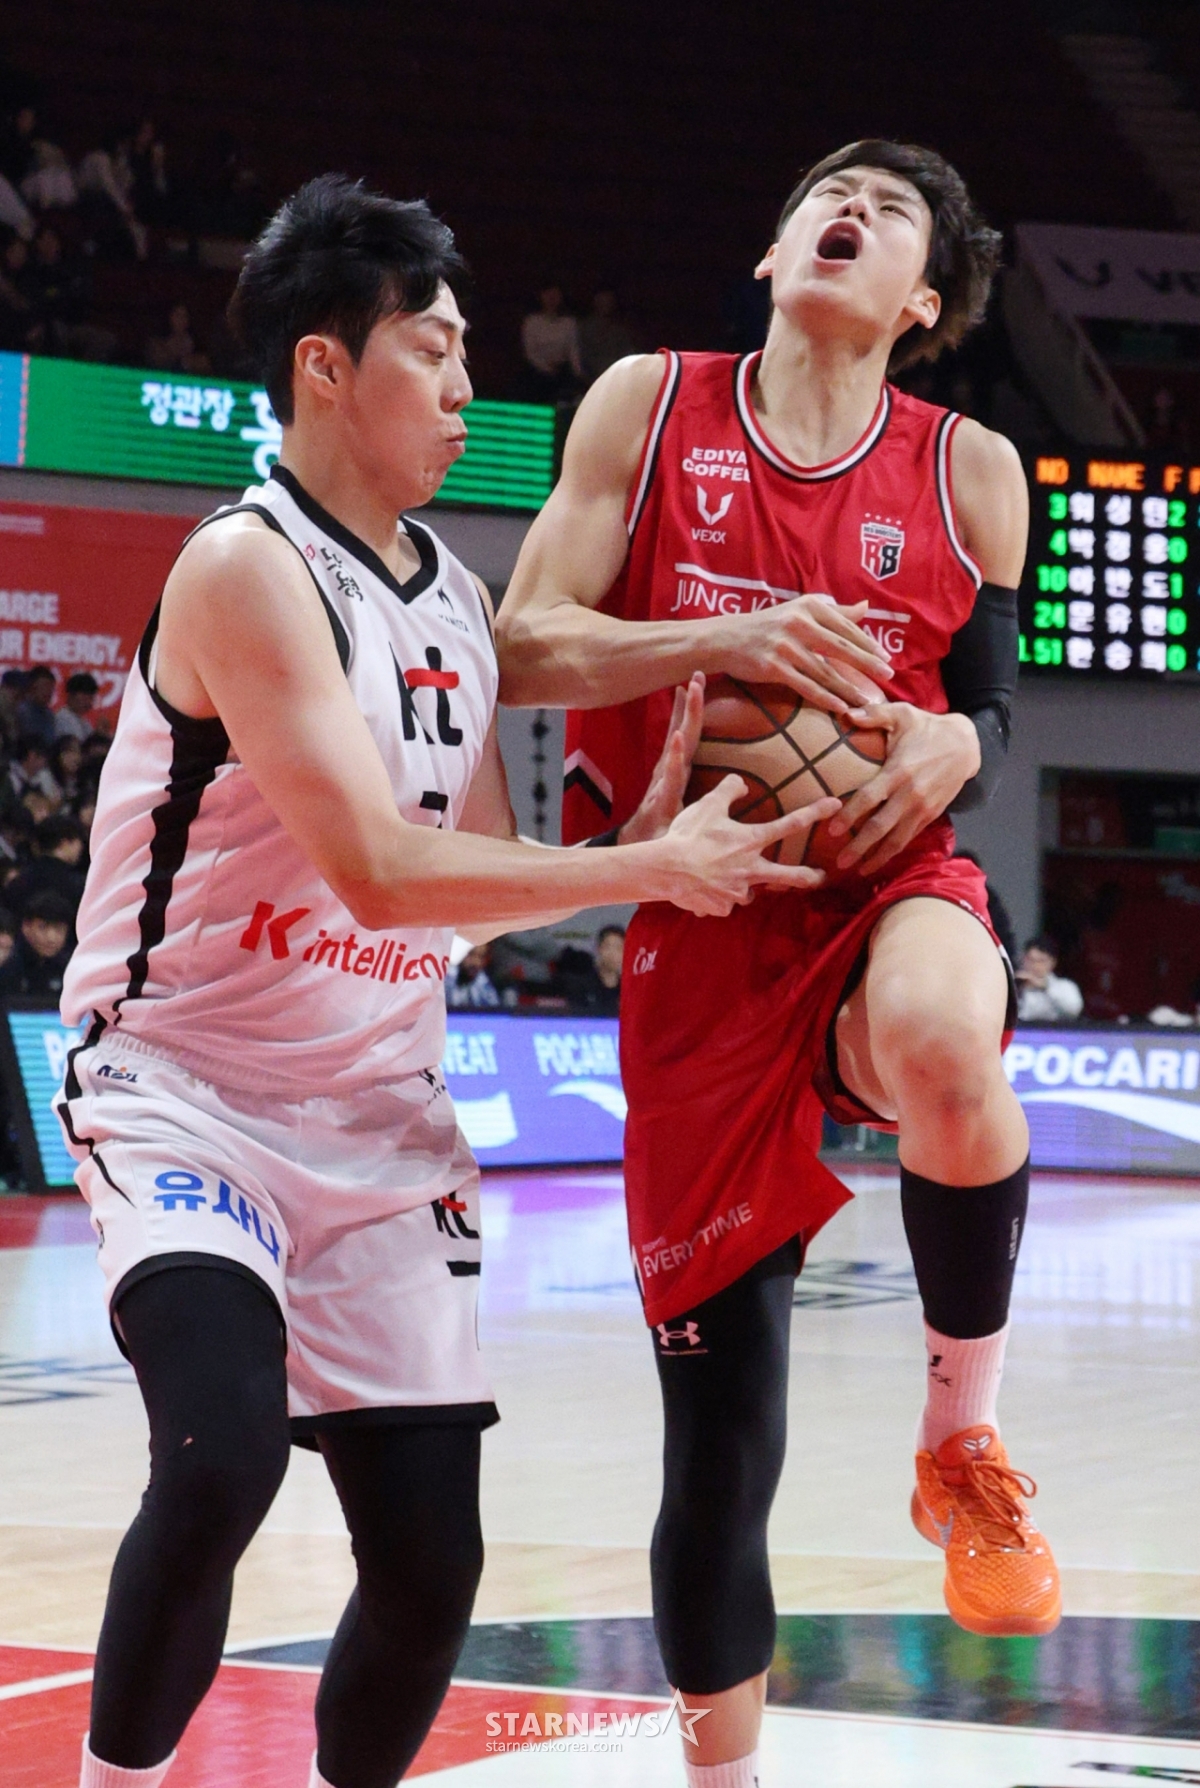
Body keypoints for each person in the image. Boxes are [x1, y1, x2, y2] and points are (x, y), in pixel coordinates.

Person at [54, 174, 836, 1788]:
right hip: (184, 1087)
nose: (470, 386)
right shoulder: (246, 566)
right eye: (435, 348)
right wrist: (644, 866)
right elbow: (381, 871)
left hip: (379, 1111)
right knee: (220, 1457)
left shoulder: (452, 596)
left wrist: (677, 740)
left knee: (431, 1566)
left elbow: (475, 856)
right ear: (325, 368)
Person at [498, 138, 1056, 1786]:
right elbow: (523, 643)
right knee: (722, 1442)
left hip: (889, 881)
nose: (855, 212)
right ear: (773, 250)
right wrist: (722, 635)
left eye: (894, 213)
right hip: (705, 909)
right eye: (834, 194)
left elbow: (991, 703)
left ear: (924, 301)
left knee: (946, 1038)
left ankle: (961, 1431)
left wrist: (961, 742)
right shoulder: (648, 404)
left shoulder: (971, 469)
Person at [0, 887, 73, 997]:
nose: (51, 938)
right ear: (26, 926)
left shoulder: (69, 968)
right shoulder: (7, 962)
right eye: (43, 927)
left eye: (59, 929)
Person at [519, 282, 582, 401]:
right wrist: (546, 368)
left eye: (555, 294)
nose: (551, 298)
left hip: (562, 370)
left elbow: (573, 350)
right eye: (548, 294)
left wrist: (578, 373)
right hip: (537, 370)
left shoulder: (569, 322)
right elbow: (530, 352)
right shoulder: (531, 322)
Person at [558, 923, 625, 1015]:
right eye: (608, 947)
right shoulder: (581, 985)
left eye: (619, 948)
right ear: (598, 949)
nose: (613, 954)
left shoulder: (629, 990)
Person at [1016, 936, 1083, 1023]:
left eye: (1041, 961)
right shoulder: (1014, 983)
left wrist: (1045, 987)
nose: (1035, 965)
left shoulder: (1065, 986)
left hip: (1052, 1030)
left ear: (1052, 963)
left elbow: (1074, 1010)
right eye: (1030, 960)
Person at [578, 289, 636, 385]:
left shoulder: (620, 329)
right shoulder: (585, 328)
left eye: (608, 301)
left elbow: (628, 354)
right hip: (591, 378)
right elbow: (582, 356)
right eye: (602, 301)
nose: (605, 305)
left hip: (616, 377)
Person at [445, 941, 501, 1009]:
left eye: (481, 957)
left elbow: (494, 1011)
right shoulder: (443, 979)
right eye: (471, 954)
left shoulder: (483, 983)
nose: (476, 963)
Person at [16, 665, 58, 753]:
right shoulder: (22, 711)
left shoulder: (49, 714)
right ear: (32, 687)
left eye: (51, 688)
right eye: (44, 686)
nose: (48, 691)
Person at [56, 672, 100, 742]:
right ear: (71, 695)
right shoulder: (63, 718)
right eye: (84, 698)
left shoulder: (85, 722)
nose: (88, 702)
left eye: (91, 698)